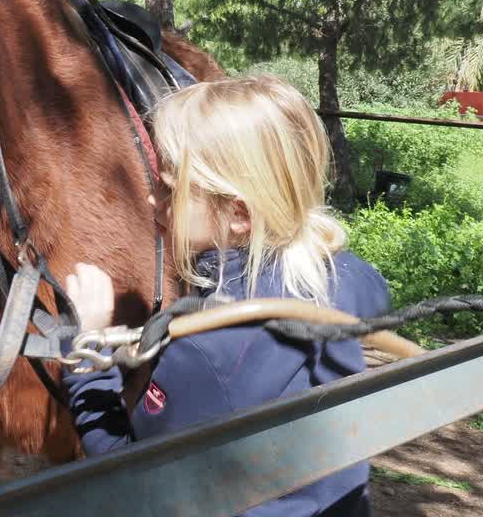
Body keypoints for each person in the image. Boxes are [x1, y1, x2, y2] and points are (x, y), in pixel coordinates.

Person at [63, 75, 391, 517]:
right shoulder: (356, 279)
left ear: (238, 215)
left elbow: (130, 477)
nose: (150, 199)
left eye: (168, 188)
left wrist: (89, 349)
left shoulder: (206, 349)